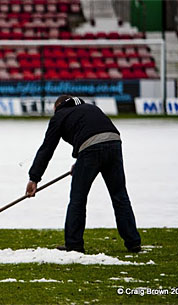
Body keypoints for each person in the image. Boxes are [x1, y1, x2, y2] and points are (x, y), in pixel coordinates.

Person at [25, 95, 141, 253]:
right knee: (120, 195)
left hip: (90, 150)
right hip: (114, 143)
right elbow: (92, 132)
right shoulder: (91, 108)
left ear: (58, 107)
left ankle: (74, 244)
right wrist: (81, 160)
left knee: (78, 199)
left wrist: (34, 178)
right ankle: (133, 241)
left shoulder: (59, 116)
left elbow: (47, 149)